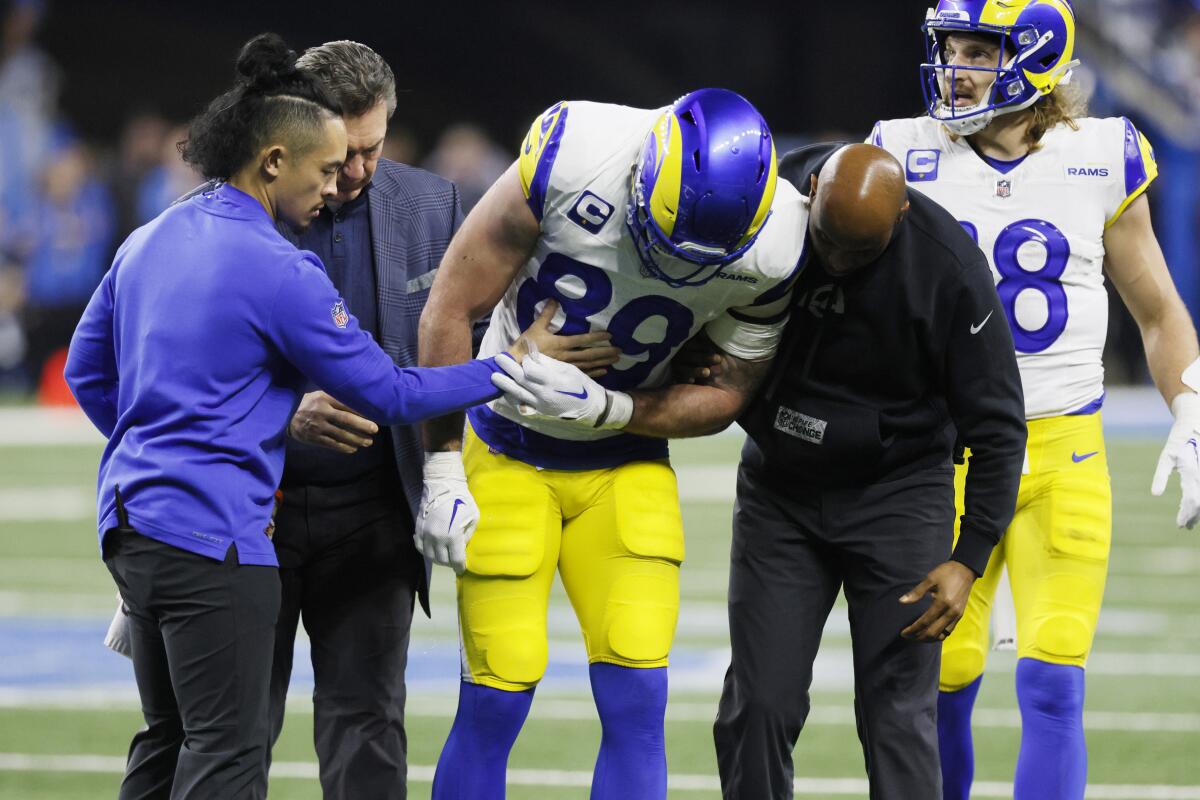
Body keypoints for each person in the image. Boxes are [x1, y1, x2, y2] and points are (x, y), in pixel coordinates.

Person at [62, 33, 558, 800]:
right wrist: (509, 367)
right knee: (229, 748)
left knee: (186, 740)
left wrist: (158, 444)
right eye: (331, 162)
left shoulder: (154, 237)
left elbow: (88, 372)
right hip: (237, 527)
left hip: (178, 521)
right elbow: (391, 390)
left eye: (367, 152)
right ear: (279, 152)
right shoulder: (271, 256)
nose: (345, 179)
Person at [416, 89, 807, 798]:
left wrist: (612, 406)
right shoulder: (574, 154)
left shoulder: (778, 242)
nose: (679, 270)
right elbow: (452, 302)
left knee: (636, 698)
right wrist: (441, 466)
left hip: (625, 462)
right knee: (497, 691)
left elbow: (728, 396)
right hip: (505, 446)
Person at [869, 2, 1200, 797]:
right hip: (944, 456)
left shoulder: (1101, 154)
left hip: (1064, 452)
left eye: (978, 51)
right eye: (950, 49)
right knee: (943, 677)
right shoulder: (900, 153)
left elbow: (1156, 309)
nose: (955, 68)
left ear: (1034, 59)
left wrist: (1194, 407)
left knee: (1054, 682)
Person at [662, 143, 1025, 799]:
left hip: (899, 495)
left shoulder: (950, 272)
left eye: (860, 253)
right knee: (760, 702)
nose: (836, 262)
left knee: (898, 711)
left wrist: (969, 557)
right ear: (809, 191)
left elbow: (997, 423)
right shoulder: (762, 212)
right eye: (828, 242)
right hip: (781, 488)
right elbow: (685, 293)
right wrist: (687, 352)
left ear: (904, 213)